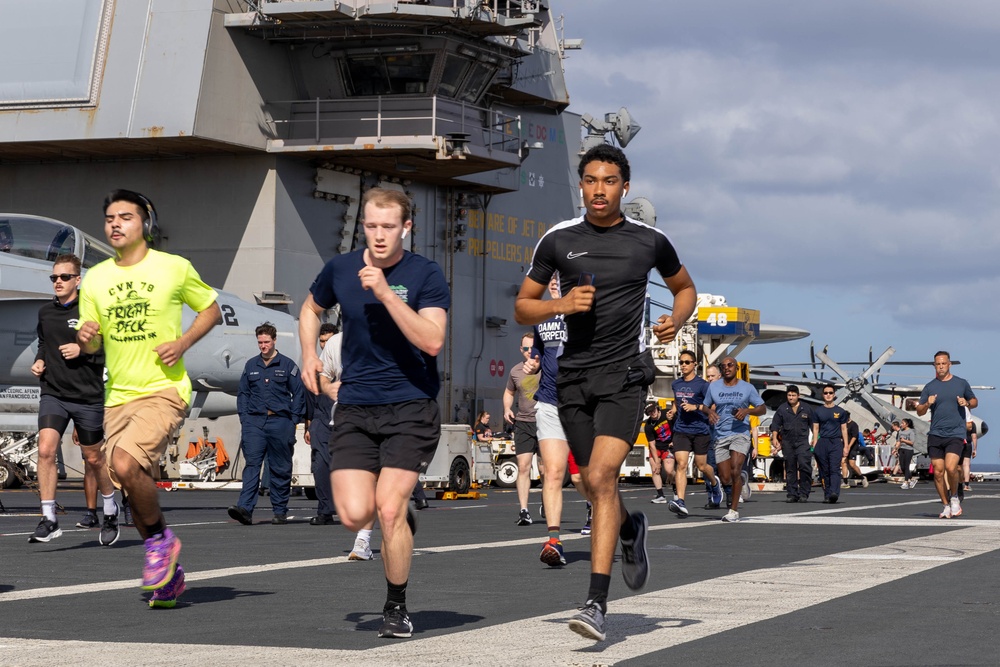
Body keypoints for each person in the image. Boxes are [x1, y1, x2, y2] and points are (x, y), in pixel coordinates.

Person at [514, 144, 697, 641]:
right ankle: (631, 530)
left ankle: (595, 602)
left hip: (623, 374)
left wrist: (676, 319)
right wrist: (562, 303)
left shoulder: (650, 241)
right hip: (572, 378)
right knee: (591, 486)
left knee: (600, 474)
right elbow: (523, 308)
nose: (599, 189)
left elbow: (685, 288)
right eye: (591, 180)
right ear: (581, 185)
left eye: (609, 181)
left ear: (625, 187)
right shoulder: (557, 241)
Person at [299, 187, 450, 639]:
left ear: (407, 228)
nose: (379, 235)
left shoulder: (425, 274)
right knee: (352, 514)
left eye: (389, 227)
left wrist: (386, 293)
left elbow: (432, 340)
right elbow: (311, 308)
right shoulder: (341, 269)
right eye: (371, 226)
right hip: (356, 406)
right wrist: (309, 352)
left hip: (411, 405)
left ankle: (396, 606)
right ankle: (401, 519)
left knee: (386, 509)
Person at [77, 188, 221, 608]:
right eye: (109, 218)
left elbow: (210, 308)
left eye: (125, 216)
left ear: (147, 224)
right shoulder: (97, 278)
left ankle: (161, 541)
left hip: (163, 389)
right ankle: (167, 570)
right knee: (129, 487)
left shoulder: (174, 268)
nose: (115, 224)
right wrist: (86, 339)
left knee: (124, 461)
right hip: (117, 396)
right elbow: (91, 342)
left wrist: (183, 342)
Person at [29, 254, 119, 546]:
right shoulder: (45, 312)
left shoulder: (93, 312)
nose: (58, 282)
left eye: (64, 277)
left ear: (78, 280)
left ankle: (109, 508)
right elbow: (44, 344)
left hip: (87, 396)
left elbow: (113, 352)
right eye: (54, 277)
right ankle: (49, 519)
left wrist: (83, 352)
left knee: (94, 459)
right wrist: (40, 360)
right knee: (45, 450)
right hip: (53, 393)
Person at [528, 274, 587, 566]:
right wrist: (533, 361)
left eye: (559, 277)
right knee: (552, 473)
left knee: (581, 478)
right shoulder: (541, 315)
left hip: (581, 403)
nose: (553, 282)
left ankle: (604, 512)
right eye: (550, 278)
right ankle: (554, 540)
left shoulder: (584, 310)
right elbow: (539, 350)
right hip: (549, 402)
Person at [227, 323, 306, 526]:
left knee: (280, 467)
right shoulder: (251, 366)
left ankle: (280, 511)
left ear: (274, 341)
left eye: (266, 342)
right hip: (254, 422)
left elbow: (298, 393)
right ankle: (245, 508)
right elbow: (243, 394)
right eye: (260, 342)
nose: (263, 346)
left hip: (280, 421)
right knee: (252, 465)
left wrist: (293, 420)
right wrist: (244, 419)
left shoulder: (287, 365)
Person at [703, 356, 766, 522]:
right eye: (723, 366)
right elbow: (704, 405)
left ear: (736, 368)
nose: (727, 368)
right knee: (725, 477)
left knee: (735, 469)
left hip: (740, 433)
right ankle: (740, 481)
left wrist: (747, 411)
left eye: (730, 365)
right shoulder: (714, 387)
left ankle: (733, 511)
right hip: (720, 435)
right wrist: (710, 413)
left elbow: (762, 408)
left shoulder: (747, 388)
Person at [916, 351, 977, 519]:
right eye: (938, 364)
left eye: (944, 363)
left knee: (951, 468)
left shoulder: (961, 383)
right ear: (934, 366)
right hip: (935, 434)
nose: (941, 366)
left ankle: (955, 497)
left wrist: (967, 403)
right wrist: (928, 403)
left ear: (949, 364)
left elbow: (974, 401)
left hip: (955, 433)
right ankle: (945, 505)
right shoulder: (930, 387)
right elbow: (919, 411)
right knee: (937, 472)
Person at [666, 350, 724, 516]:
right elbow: (677, 403)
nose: (683, 365)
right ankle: (681, 502)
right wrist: (672, 411)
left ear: (695, 365)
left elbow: (712, 407)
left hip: (700, 430)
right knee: (681, 465)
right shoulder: (676, 384)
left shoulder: (703, 385)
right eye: (681, 362)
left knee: (702, 466)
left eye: (687, 362)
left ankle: (714, 483)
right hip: (681, 430)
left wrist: (696, 407)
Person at [503, 332, 540, 526]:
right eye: (525, 348)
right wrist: (507, 408)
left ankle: (547, 500)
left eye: (532, 348)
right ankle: (524, 510)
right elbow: (509, 392)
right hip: (524, 423)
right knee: (524, 466)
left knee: (546, 469)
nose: (529, 352)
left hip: (545, 422)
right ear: (521, 350)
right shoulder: (515, 371)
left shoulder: (548, 367)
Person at [306, 323, 339, 525]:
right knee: (320, 466)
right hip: (320, 420)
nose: (325, 344)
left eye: (328, 341)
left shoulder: (347, 365)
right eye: (322, 341)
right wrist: (309, 425)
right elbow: (309, 400)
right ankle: (325, 510)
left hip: (345, 419)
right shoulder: (315, 368)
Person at [770, 385, 814, 503]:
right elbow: (775, 425)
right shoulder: (782, 409)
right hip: (788, 442)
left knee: (804, 466)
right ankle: (792, 493)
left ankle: (804, 492)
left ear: (798, 396)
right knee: (790, 468)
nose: (791, 397)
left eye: (793, 395)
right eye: (789, 395)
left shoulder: (806, 408)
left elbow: (814, 425)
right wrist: (775, 438)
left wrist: (816, 438)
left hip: (802, 442)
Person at [810, 385, 850, 504]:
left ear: (834, 395)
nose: (828, 395)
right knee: (824, 470)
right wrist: (815, 445)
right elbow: (815, 429)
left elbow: (844, 429)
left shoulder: (840, 411)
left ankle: (834, 493)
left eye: (830, 393)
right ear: (823, 395)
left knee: (834, 469)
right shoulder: (818, 411)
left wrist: (846, 446)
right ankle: (827, 494)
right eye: (826, 393)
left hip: (836, 442)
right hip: (822, 442)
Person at [643, 403, 675, 504]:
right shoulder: (648, 425)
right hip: (656, 447)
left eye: (654, 410)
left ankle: (676, 488)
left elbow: (678, 426)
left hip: (668, 446)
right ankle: (660, 495)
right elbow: (652, 444)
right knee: (655, 469)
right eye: (650, 412)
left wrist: (675, 440)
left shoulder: (667, 413)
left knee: (669, 471)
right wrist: (657, 462)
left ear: (657, 409)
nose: (653, 413)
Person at [842, 415, 868, 488]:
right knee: (843, 462)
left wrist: (849, 446)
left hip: (852, 447)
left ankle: (862, 477)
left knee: (852, 464)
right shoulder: (843, 424)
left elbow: (854, 437)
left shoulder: (854, 425)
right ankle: (845, 481)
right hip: (844, 446)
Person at [893, 418, 916, 489]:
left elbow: (912, 442)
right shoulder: (900, 432)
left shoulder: (911, 432)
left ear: (907, 424)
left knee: (906, 466)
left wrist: (904, 440)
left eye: (903, 423)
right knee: (902, 466)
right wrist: (895, 449)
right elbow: (898, 441)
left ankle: (906, 482)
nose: (901, 424)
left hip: (908, 450)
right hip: (901, 449)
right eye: (901, 423)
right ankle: (911, 479)